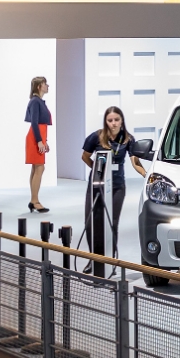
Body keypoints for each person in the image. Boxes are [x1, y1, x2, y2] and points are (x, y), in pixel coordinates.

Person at [80, 105, 130, 272]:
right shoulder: (96, 137)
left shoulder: (127, 139)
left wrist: (145, 172)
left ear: (121, 121)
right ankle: (93, 259)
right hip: (96, 186)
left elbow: (135, 160)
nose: (113, 123)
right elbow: (85, 156)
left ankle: (110, 259)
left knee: (111, 223)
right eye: (110, 120)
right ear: (105, 122)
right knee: (91, 222)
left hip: (117, 186)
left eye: (116, 120)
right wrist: (99, 170)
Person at [25, 76, 52, 214]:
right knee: (39, 168)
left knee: (36, 168)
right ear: (39, 86)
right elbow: (34, 123)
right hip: (35, 137)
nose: (47, 86)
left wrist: (44, 141)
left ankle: (33, 200)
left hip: (38, 136)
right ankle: (35, 201)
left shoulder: (38, 101)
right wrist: (40, 141)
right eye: (45, 84)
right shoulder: (35, 101)